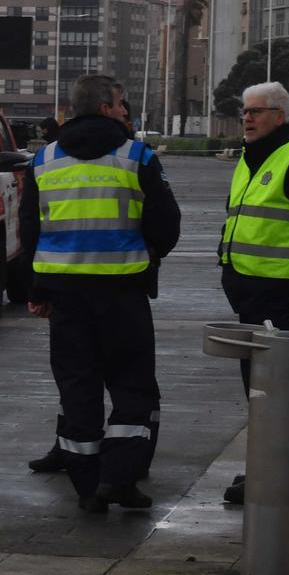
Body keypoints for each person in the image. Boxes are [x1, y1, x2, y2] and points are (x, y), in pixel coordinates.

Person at [21, 74, 181, 512]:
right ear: (109, 108)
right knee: (132, 386)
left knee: (78, 389)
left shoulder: (44, 159)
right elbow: (167, 224)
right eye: (122, 103)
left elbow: (29, 229)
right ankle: (120, 479)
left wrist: (36, 289)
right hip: (123, 294)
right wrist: (145, 254)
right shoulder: (137, 156)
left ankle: (87, 488)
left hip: (65, 298)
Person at [219, 81, 289, 505]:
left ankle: (274, 474)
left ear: (280, 116)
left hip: (284, 298)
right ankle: (267, 467)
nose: (246, 118)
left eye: (256, 111)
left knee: (275, 389)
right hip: (252, 293)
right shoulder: (255, 155)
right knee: (259, 386)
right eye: (244, 111)